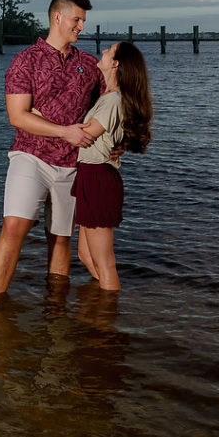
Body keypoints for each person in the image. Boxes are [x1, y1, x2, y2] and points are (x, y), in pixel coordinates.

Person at [0, 0, 102, 295]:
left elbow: (111, 103)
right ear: (58, 17)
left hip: (71, 164)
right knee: (14, 228)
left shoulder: (90, 65)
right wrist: (65, 130)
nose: (81, 26)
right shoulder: (26, 60)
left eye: (83, 20)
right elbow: (17, 116)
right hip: (30, 157)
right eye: (77, 19)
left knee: (60, 238)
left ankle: (55, 312)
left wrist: (109, 138)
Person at [73, 41, 152, 291]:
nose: (104, 51)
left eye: (109, 50)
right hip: (89, 175)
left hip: (98, 178)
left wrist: (40, 119)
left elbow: (85, 135)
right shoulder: (106, 96)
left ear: (115, 64)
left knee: (104, 261)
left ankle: (107, 322)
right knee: (85, 256)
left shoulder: (112, 100)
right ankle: (101, 312)